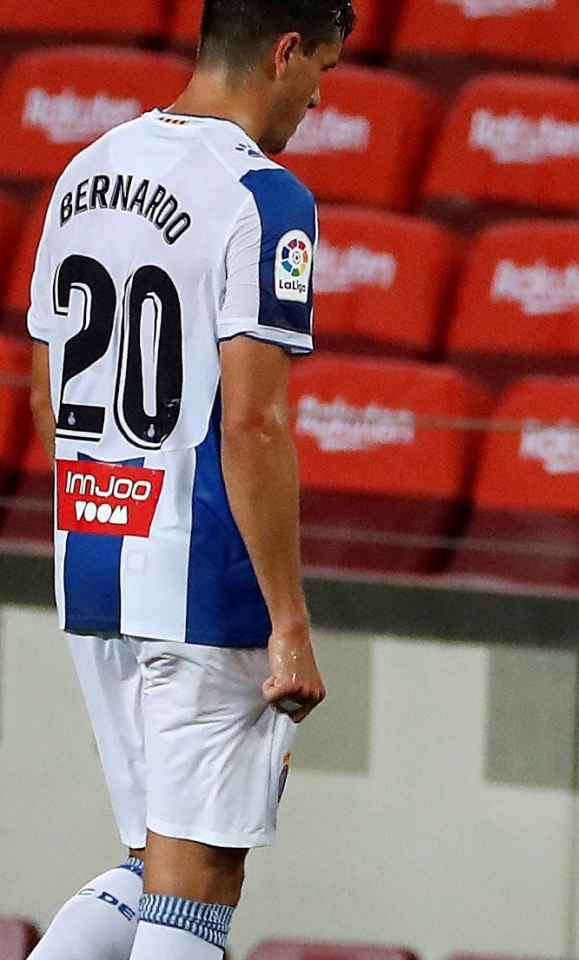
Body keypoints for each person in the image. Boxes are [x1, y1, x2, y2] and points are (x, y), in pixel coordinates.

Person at [22, 2, 345, 959]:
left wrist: (109, 511)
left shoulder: (85, 170)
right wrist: (289, 623)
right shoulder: (263, 195)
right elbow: (250, 422)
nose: (319, 98)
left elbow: (44, 396)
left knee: (147, 862)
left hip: (92, 556)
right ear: (284, 51)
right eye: (321, 70)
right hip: (201, 572)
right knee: (199, 880)